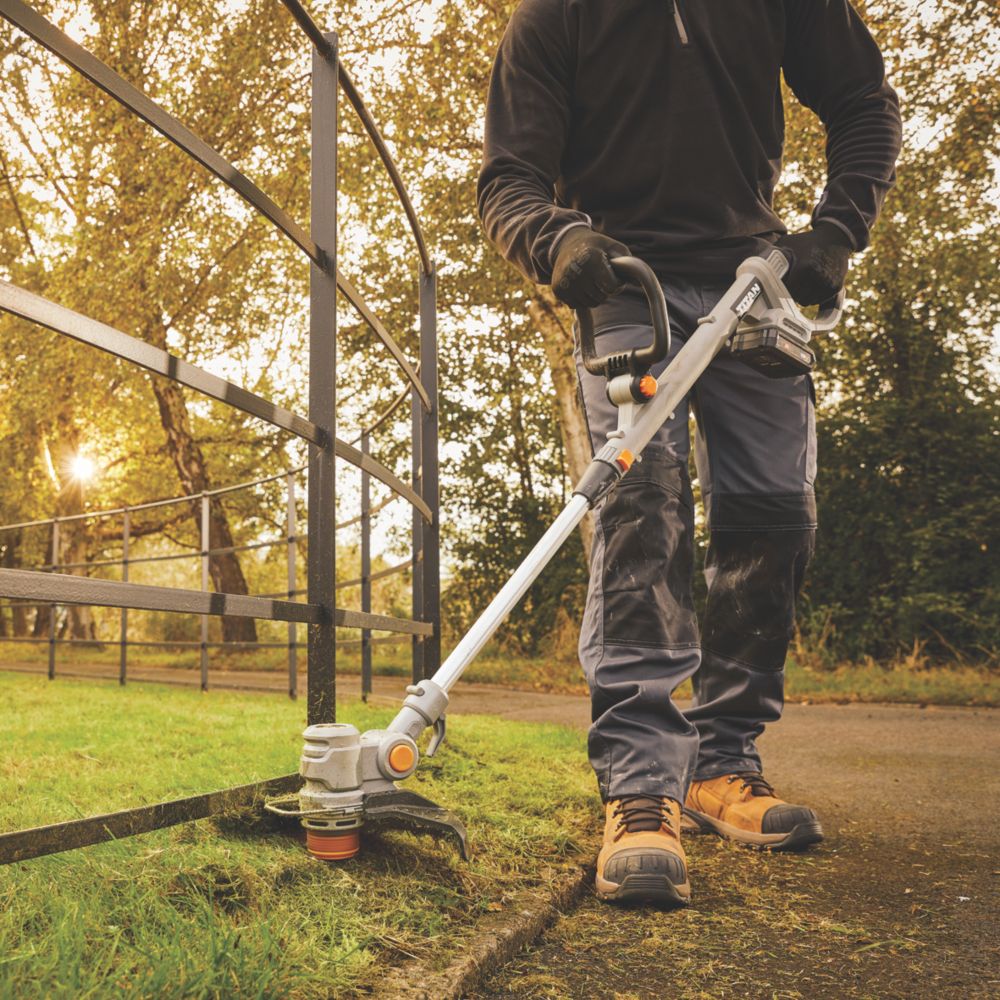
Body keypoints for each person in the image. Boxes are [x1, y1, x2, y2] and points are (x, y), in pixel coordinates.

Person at [477, 0, 901, 906]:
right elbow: (508, 179)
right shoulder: (553, 18)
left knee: (775, 512)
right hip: (626, 284)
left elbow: (865, 101)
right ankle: (640, 787)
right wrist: (557, 240)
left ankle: (722, 763)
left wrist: (835, 229)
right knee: (642, 502)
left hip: (757, 281)